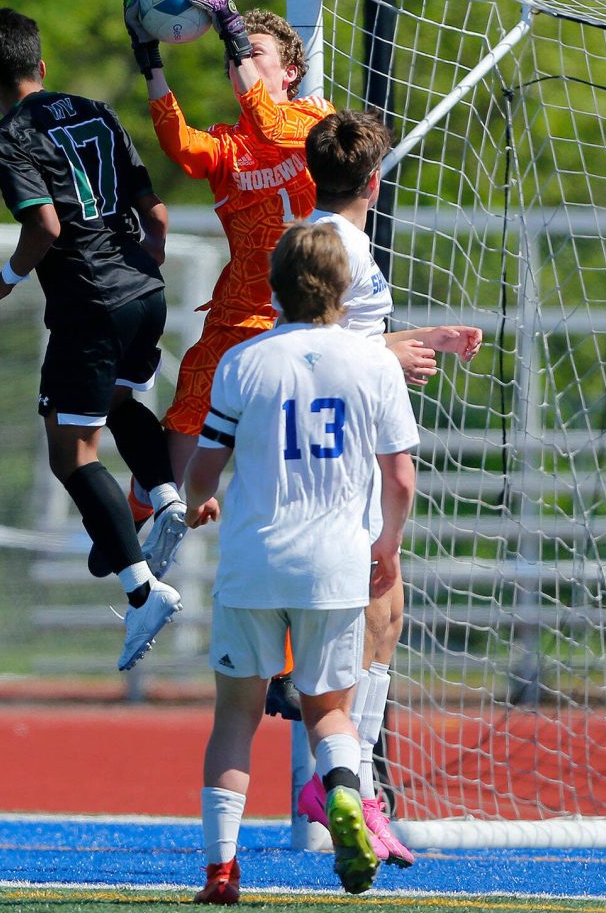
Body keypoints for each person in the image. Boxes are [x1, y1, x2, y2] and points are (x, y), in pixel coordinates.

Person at [183, 221, 419, 902]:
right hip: (336, 564)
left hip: (255, 561)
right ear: (345, 288)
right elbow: (399, 478)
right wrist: (386, 544)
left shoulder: (244, 361)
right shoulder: (373, 361)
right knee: (328, 713)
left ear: (272, 288)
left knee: (235, 717)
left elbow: (205, 467)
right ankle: (345, 791)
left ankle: (222, 871)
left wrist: (201, 502)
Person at [0, 6, 182, 673]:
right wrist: (147, 260)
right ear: (41, 66)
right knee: (116, 403)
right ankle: (164, 497)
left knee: (71, 453)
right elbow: (156, 214)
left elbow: (47, 229)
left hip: (90, 304)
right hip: (144, 290)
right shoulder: (95, 110)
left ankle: (142, 591)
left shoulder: (8, 138)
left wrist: (1, 280)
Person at [294, 109, 483, 865]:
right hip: (351, 445)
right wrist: (392, 353)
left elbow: (342, 338)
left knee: (387, 609)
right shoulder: (331, 242)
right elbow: (317, 344)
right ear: (374, 180)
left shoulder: (339, 239)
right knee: (368, 604)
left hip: (358, 432)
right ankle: (346, 782)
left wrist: (415, 342)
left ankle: (358, 782)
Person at [121, 0, 335, 581]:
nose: (239, 58)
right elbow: (182, 147)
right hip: (238, 310)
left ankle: (291, 657)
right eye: (239, 53)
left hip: (303, 318)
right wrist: (150, 62)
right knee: (187, 401)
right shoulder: (229, 146)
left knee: (282, 470)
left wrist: (232, 29)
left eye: (254, 51)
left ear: (288, 70)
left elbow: (268, 120)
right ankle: (147, 511)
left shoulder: (312, 123)